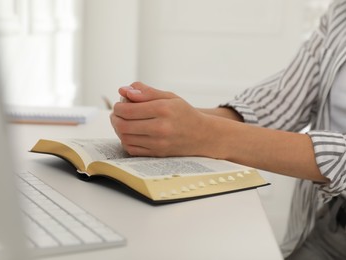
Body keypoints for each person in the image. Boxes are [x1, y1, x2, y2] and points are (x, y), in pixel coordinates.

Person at [110, 0, 346, 259]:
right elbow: (283, 99)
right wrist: (168, 116)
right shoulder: (340, 13)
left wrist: (208, 134)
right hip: (324, 225)